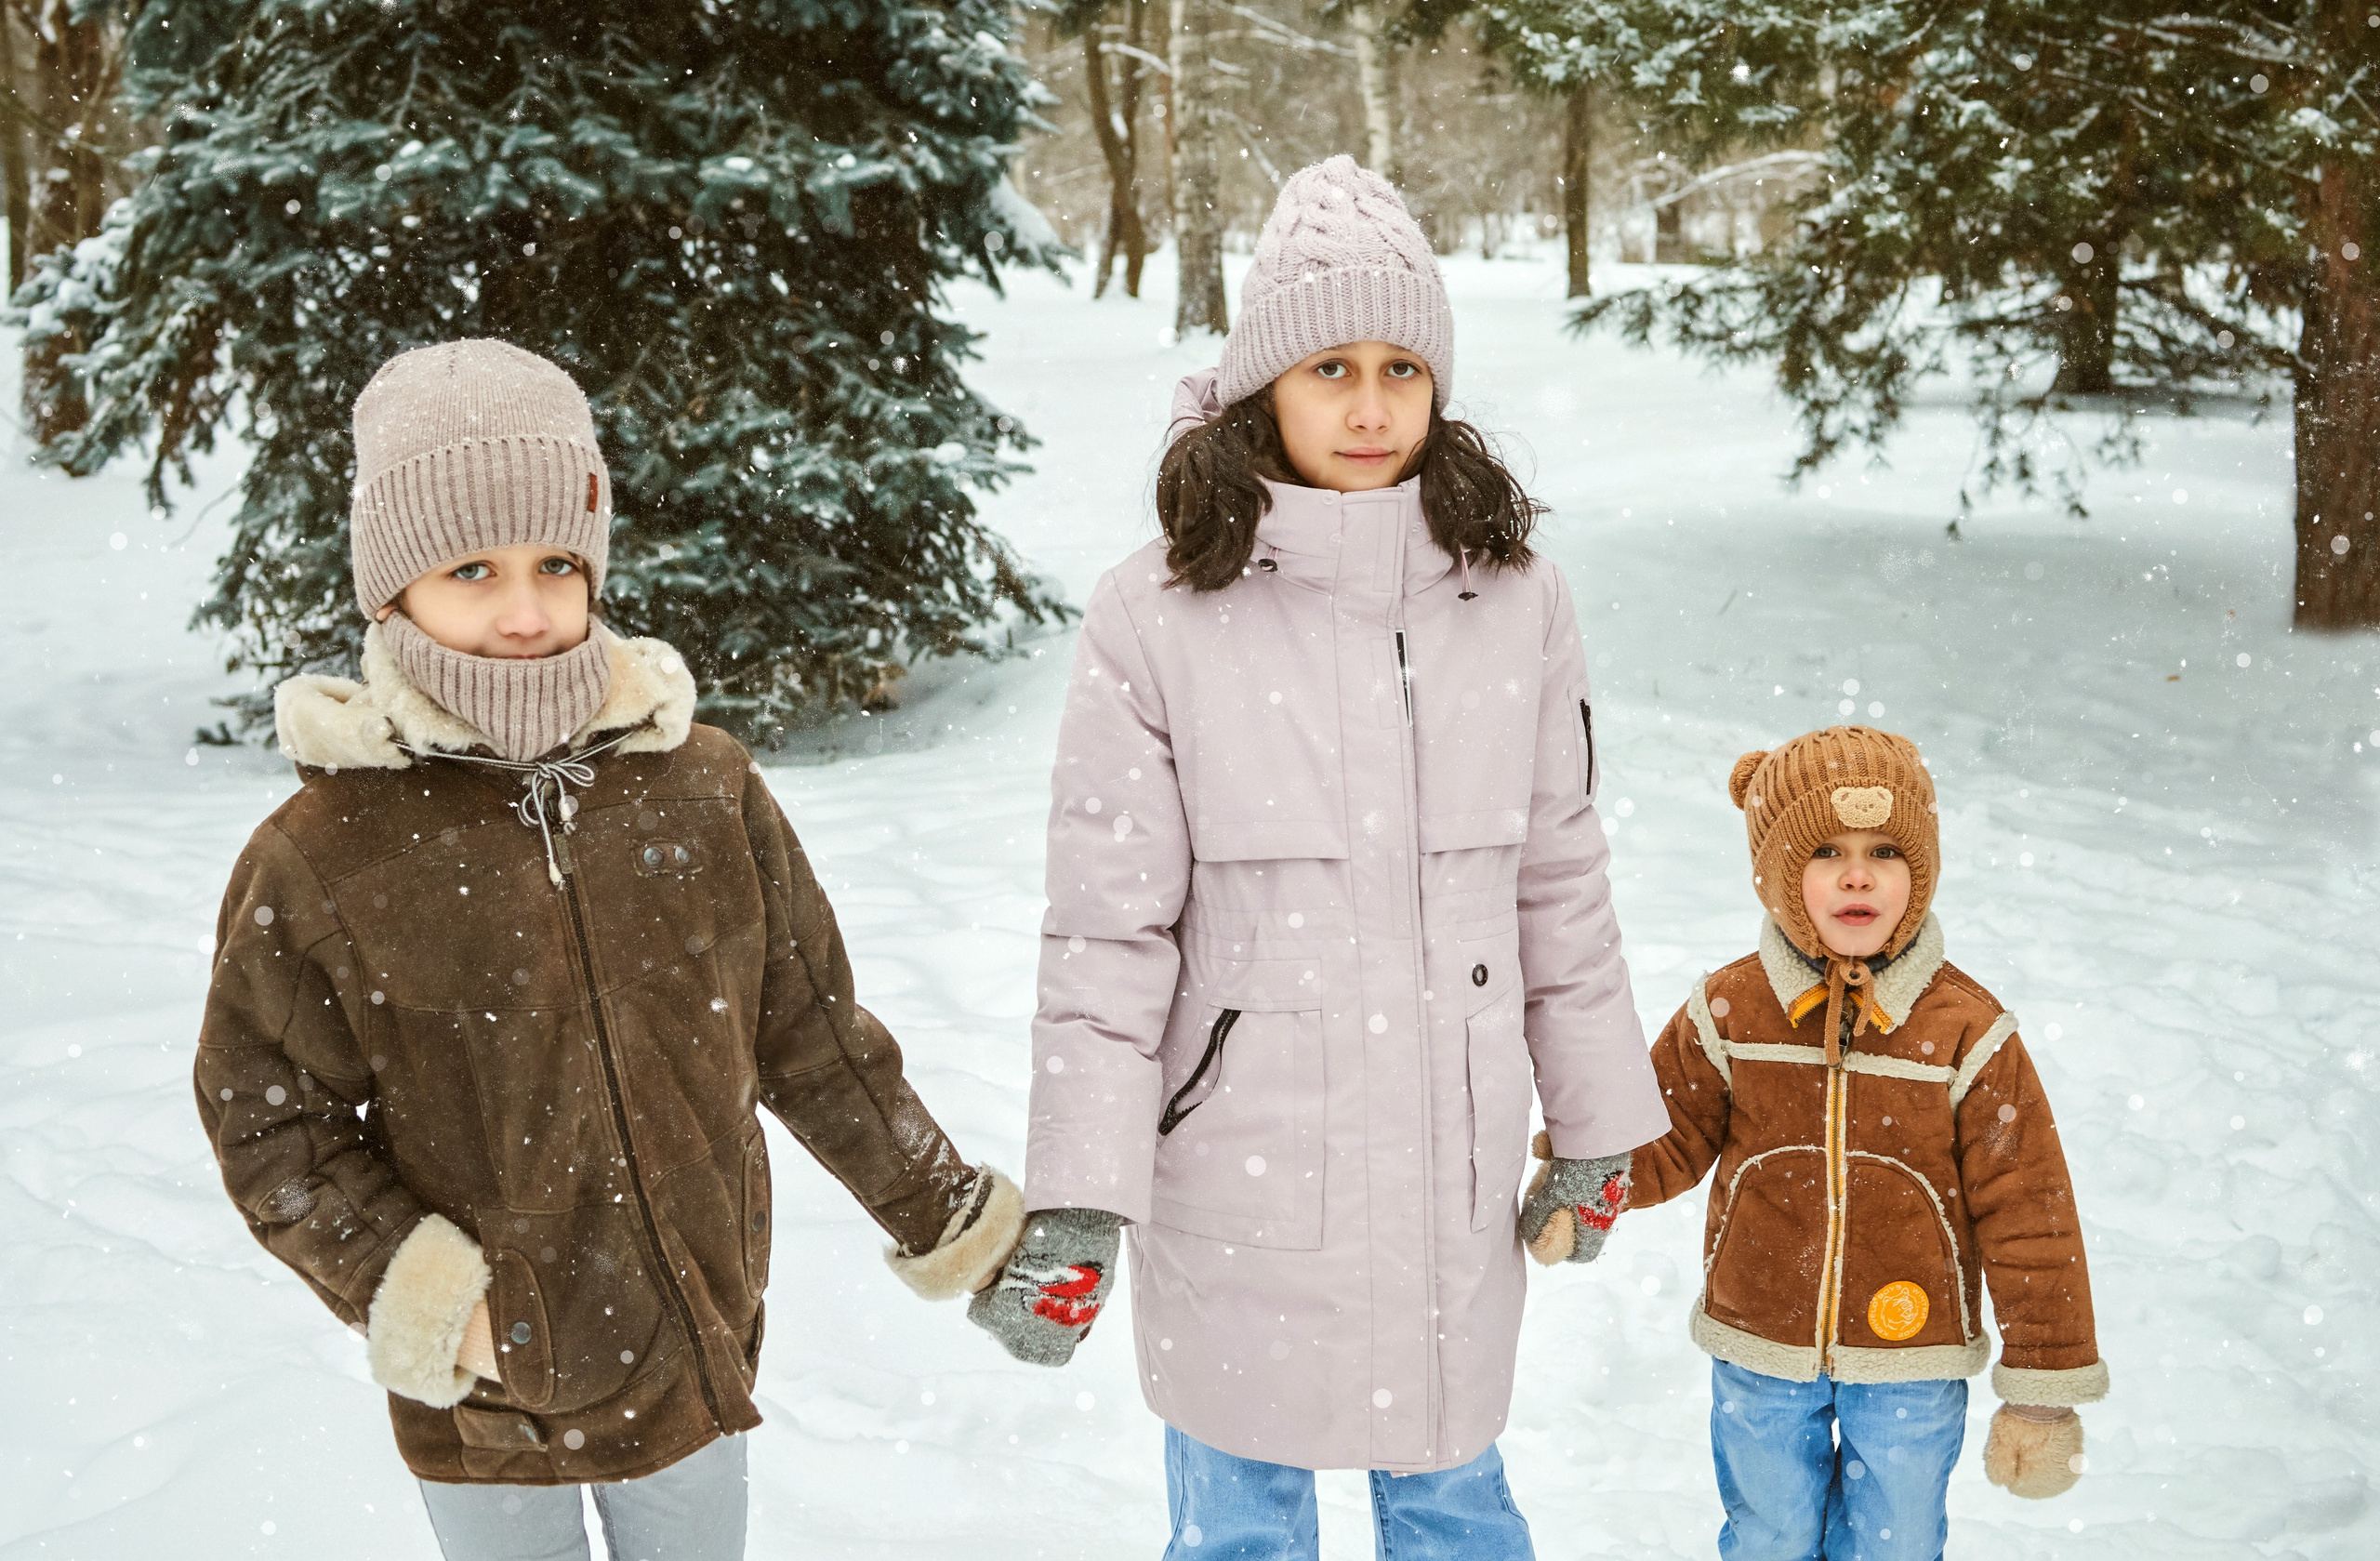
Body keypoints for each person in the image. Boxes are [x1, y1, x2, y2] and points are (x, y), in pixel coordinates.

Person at [192, 338, 1021, 1561]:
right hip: (481, 1395)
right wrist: (426, 1294)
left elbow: (813, 1038)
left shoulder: (702, 791)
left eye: (557, 562)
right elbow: (268, 1114)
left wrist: (957, 1217)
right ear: (392, 585)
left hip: (693, 1349)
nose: (525, 610)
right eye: (471, 567)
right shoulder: (329, 851)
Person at [967, 155, 1671, 1558]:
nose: (1368, 403)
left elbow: (1559, 883)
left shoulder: (1517, 599)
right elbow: (1108, 932)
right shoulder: (1156, 613)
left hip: (1448, 1165)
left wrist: (1598, 1128)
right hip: (1241, 1164)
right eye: (1331, 364)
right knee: (1239, 1518)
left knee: (1454, 1498)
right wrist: (1082, 1192)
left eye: (1403, 365)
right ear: (1261, 386)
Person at [1623, 725, 2108, 1561]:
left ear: (1919, 871)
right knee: (1769, 1535)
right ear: (1779, 873)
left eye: (1885, 848)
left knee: (1897, 1541)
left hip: (1912, 1358)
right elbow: (1658, 1134)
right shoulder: (1732, 1011)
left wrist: (2041, 1388)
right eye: (1825, 851)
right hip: (1762, 1342)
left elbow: (2029, 1211)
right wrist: (1587, 1181)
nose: (1857, 873)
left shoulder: (1967, 1031)